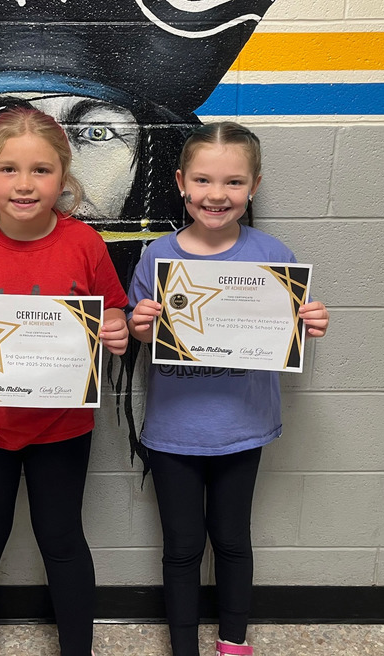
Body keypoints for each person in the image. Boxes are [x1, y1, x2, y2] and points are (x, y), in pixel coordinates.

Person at [0, 106, 130, 656]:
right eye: (9, 169)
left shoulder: (84, 242)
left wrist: (116, 332)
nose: (25, 184)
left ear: (65, 176)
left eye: (41, 170)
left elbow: (113, 314)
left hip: (61, 425)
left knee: (61, 540)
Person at [127, 122, 330, 656]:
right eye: (204, 180)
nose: (217, 195)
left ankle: (234, 641)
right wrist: (139, 324)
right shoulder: (156, 257)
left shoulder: (273, 253)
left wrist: (308, 321)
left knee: (233, 539)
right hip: (174, 432)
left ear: (254, 187)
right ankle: (183, 646)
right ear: (180, 182)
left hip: (243, 428)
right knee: (182, 547)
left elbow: (289, 328)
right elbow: (133, 330)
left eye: (234, 182)